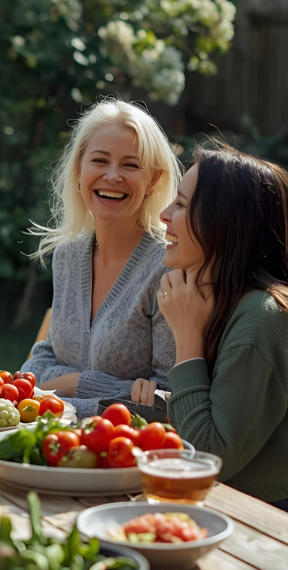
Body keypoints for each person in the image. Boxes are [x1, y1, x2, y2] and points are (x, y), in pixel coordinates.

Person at [157, 141, 288, 548]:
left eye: (182, 205)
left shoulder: (263, 316)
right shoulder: (223, 301)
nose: (165, 215)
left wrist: (187, 339)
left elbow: (211, 459)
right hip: (261, 507)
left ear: (226, 223)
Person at [21, 98, 180, 417]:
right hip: (52, 446)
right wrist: (80, 383)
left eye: (130, 165)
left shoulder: (167, 268)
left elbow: (168, 399)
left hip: (123, 453)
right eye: (100, 160)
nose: (112, 175)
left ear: (152, 180)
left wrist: (73, 387)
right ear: (79, 170)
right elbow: (37, 365)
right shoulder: (68, 254)